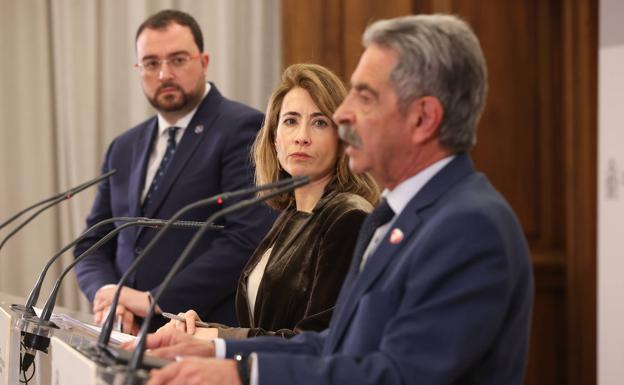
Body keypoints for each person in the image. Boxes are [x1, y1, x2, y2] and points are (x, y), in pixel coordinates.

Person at [140, 14, 534, 385]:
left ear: (422, 118)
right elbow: (334, 345)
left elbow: (398, 375)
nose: (343, 114)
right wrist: (219, 349)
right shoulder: (390, 217)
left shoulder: (469, 226)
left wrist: (242, 375)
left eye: (364, 96)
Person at [73, 9, 276, 334]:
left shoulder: (243, 129)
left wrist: (154, 301)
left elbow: (246, 239)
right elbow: (93, 243)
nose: (164, 74)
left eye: (178, 60)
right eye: (151, 63)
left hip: (198, 332)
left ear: (204, 61)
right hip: (122, 333)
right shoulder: (123, 147)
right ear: (139, 70)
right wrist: (108, 296)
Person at [159, 63, 380, 340]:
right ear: (275, 140)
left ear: (342, 139)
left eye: (320, 123)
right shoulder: (291, 215)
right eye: (290, 121)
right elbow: (270, 327)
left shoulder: (349, 216)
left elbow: (317, 341)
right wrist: (201, 330)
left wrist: (215, 339)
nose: (302, 137)